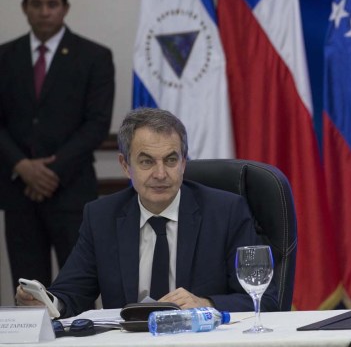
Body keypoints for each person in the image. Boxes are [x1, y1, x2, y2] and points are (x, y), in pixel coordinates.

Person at [16, 107, 278, 318]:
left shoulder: (226, 212)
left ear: (184, 163)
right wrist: (45, 303)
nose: (160, 174)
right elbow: (71, 293)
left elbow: (264, 299)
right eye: (146, 161)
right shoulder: (101, 217)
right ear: (125, 165)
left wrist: (206, 303)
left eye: (171, 160)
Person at [0, 0, 115, 289]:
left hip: (72, 192)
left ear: (65, 8)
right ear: (24, 7)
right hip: (18, 193)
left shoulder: (94, 57)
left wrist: (51, 172)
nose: (44, 11)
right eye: (36, 4)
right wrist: (22, 167)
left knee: (77, 290)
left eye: (52, 4)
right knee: (27, 291)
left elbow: (96, 124)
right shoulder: (4, 57)